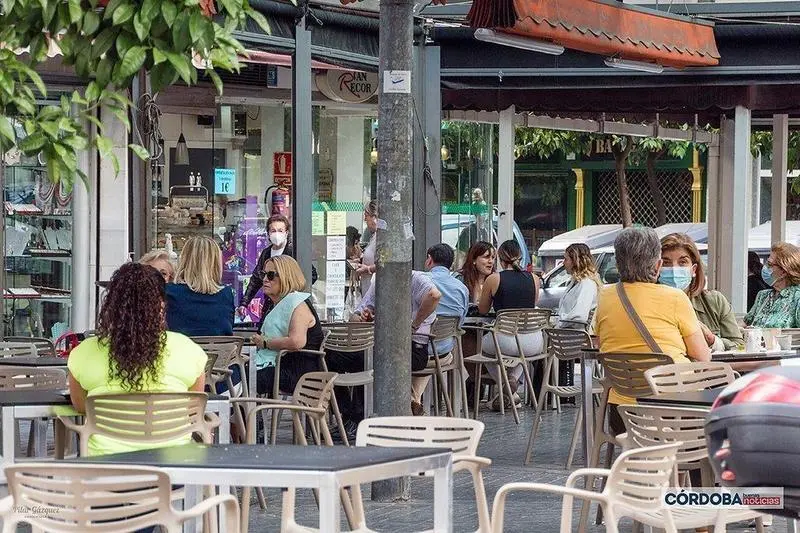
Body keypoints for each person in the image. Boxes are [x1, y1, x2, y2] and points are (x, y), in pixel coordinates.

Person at [67, 263, 207, 456]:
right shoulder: (188, 350)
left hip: (104, 469)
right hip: (174, 470)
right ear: (161, 305)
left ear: (112, 306)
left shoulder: (83, 353)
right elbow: (193, 408)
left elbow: (82, 407)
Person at [596, 227, 711, 434]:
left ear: (617, 263)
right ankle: (694, 466)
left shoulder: (604, 297)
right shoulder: (675, 298)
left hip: (622, 416)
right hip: (673, 412)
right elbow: (704, 359)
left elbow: (599, 344)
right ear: (658, 265)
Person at [351, 269, 441, 414]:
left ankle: (359, 416)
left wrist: (414, 325)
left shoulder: (415, 278)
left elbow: (435, 295)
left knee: (364, 359)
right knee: (337, 357)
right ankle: (350, 414)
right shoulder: (378, 283)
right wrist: (362, 318)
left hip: (413, 349)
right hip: (383, 346)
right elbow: (355, 318)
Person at [478, 240, 542, 410]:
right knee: (521, 354)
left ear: (500, 258)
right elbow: (532, 304)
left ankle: (505, 386)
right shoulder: (534, 279)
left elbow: (483, 310)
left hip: (505, 339)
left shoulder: (494, 278)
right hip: (533, 341)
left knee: (482, 349)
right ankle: (512, 386)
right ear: (520, 257)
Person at [249, 255, 325, 396]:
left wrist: (265, 343)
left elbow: (297, 342)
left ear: (286, 277)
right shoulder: (279, 304)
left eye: (271, 275)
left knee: (242, 377)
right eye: (263, 274)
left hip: (297, 373)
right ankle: (242, 415)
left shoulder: (298, 305)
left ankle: (239, 416)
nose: (265, 279)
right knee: (238, 372)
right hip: (281, 365)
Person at [411, 244, 469, 413]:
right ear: (450, 264)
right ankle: (414, 400)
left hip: (419, 350)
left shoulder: (421, 281)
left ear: (429, 258)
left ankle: (411, 400)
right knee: (430, 348)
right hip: (444, 352)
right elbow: (460, 323)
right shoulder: (462, 288)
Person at [660, 233, 743, 352]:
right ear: (657, 267)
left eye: (682, 262)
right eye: (666, 263)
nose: (674, 268)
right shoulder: (646, 303)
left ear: (694, 269)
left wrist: (713, 341)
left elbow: (740, 346)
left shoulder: (714, 301)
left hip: (711, 369)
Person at [165, 236, 234, 337]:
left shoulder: (169, 292)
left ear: (185, 260)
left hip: (180, 351)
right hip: (219, 351)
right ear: (215, 263)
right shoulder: (226, 294)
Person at [239, 214, 293, 325]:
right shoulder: (266, 253)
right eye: (273, 231)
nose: (276, 234)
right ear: (268, 233)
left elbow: (311, 275)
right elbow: (256, 279)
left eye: (280, 230)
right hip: (270, 304)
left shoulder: (293, 251)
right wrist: (244, 303)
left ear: (286, 233)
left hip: (289, 304)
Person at [745, 242, 800, 328]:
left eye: (770, 265)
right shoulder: (762, 296)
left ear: (784, 271)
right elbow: (745, 323)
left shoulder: (797, 298)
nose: (765, 267)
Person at [556, 243, 600, 329]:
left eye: (566, 259)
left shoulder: (587, 284)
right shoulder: (576, 282)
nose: (563, 263)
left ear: (575, 261)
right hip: (566, 334)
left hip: (574, 337)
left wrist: (559, 321)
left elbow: (579, 316)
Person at [457, 241, 496, 306]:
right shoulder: (460, 279)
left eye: (493, 257)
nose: (491, 261)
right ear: (474, 260)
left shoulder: (495, 280)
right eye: (486, 257)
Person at [355, 201, 381, 296]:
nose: (365, 219)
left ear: (374, 217)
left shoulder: (382, 238)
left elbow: (385, 264)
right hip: (367, 290)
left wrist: (368, 269)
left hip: (375, 294)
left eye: (366, 216)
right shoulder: (374, 236)